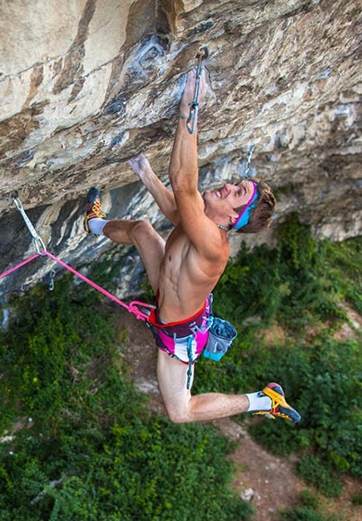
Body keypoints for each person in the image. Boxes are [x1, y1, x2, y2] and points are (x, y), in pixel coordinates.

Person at [82, 66, 300, 425]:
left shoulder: (215, 245)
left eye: (237, 193)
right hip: (166, 291)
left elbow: (183, 184)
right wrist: (144, 171)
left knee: (180, 412)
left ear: (233, 219)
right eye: (237, 184)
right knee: (141, 229)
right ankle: (94, 223)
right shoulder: (201, 220)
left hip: (179, 331)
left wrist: (189, 104)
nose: (229, 186)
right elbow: (176, 208)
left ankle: (262, 400)